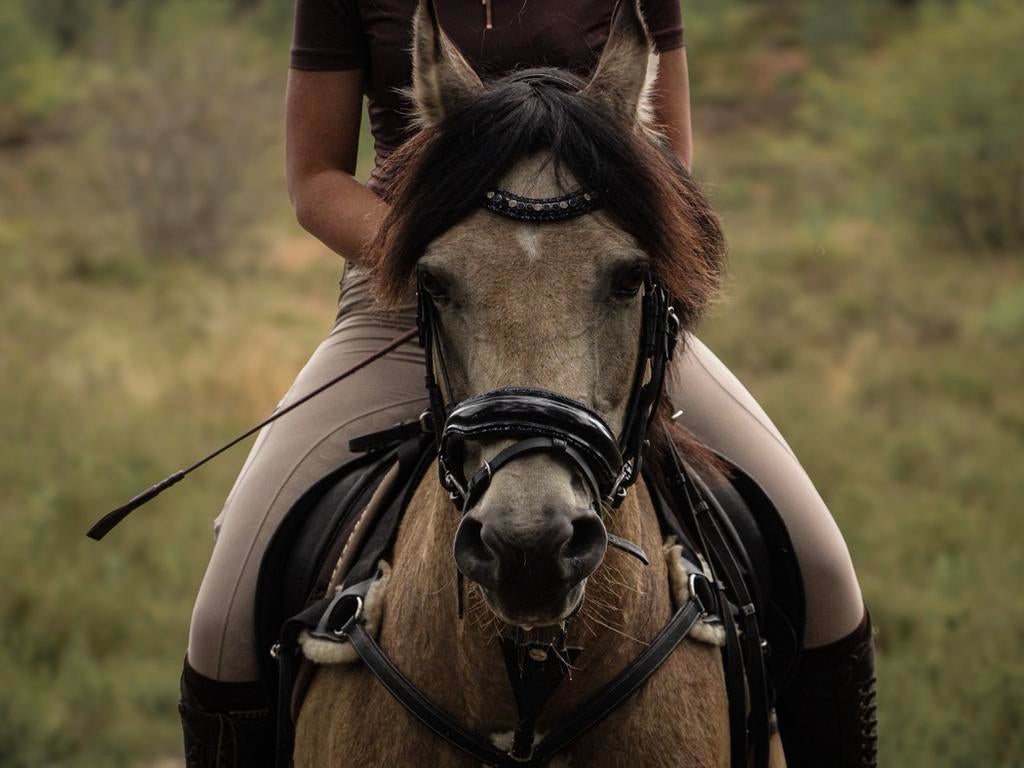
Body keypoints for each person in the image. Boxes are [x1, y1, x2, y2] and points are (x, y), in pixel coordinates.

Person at [178, 2, 877, 766]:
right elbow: (315, 179)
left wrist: (569, 263)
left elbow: (667, 164)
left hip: (596, 300)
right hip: (409, 297)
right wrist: (460, 256)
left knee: (824, 571)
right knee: (223, 616)